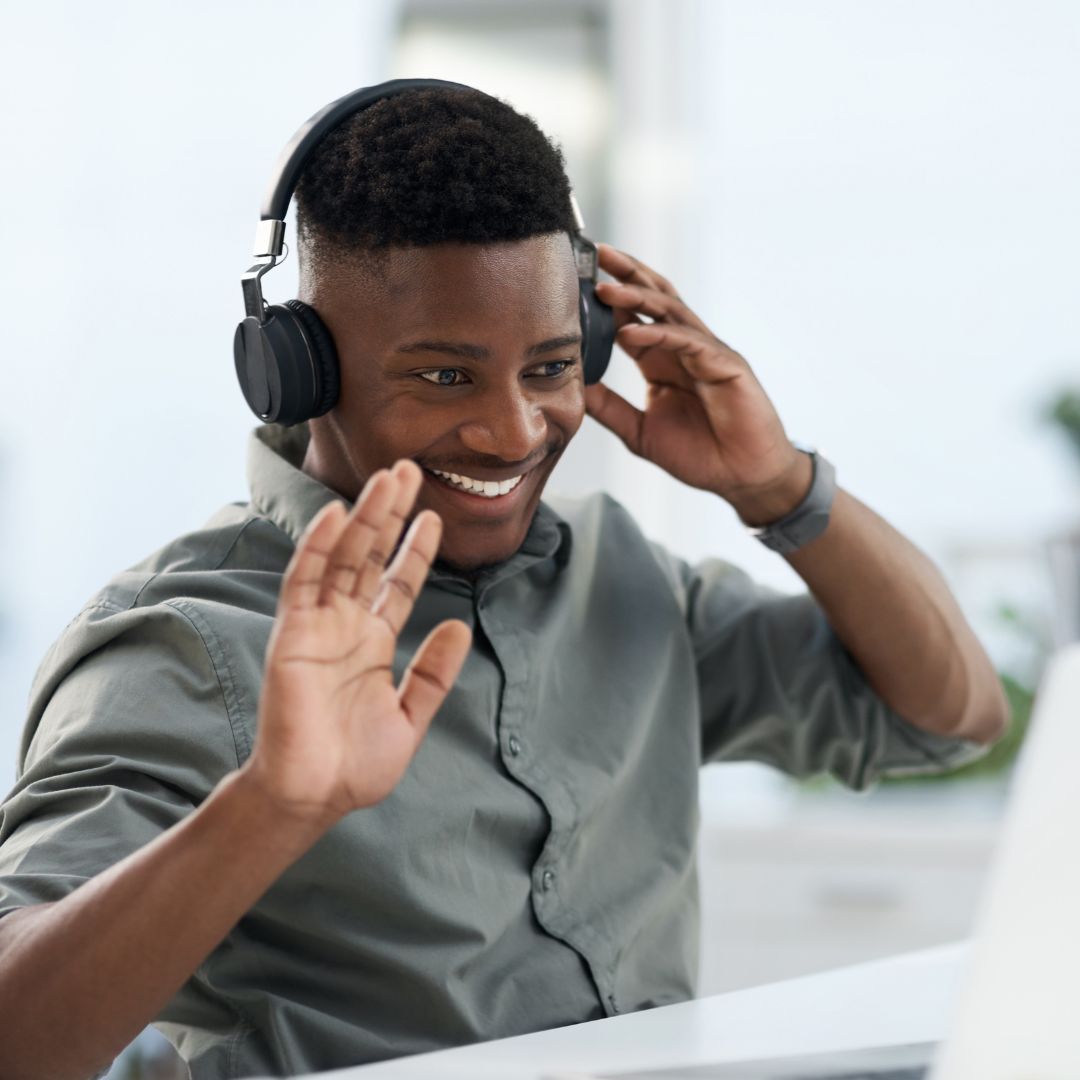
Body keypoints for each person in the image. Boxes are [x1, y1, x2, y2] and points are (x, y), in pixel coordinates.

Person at [0, 85, 1007, 1080]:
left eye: (550, 367)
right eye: (444, 376)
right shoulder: (182, 643)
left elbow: (949, 714)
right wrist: (271, 806)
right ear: (299, 369)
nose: (515, 431)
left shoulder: (622, 579)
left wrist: (781, 487)